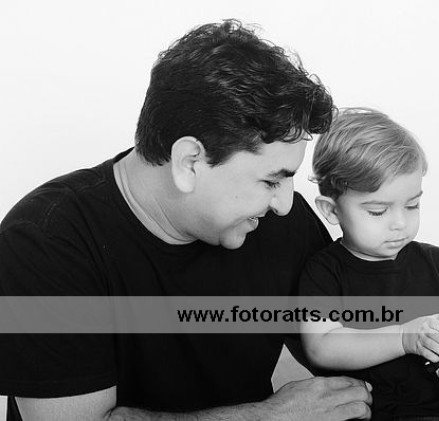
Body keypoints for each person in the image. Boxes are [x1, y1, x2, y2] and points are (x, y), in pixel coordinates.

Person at [0, 21, 373, 420]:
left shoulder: (283, 224)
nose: (284, 204)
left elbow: (362, 344)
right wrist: (272, 416)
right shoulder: (44, 244)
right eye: (270, 181)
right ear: (189, 162)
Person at [299, 108, 439, 420]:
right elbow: (321, 346)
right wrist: (405, 337)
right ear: (332, 211)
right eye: (378, 211)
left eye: (412, 205)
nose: (400, 223)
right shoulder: (323, 271)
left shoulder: (434, 262)